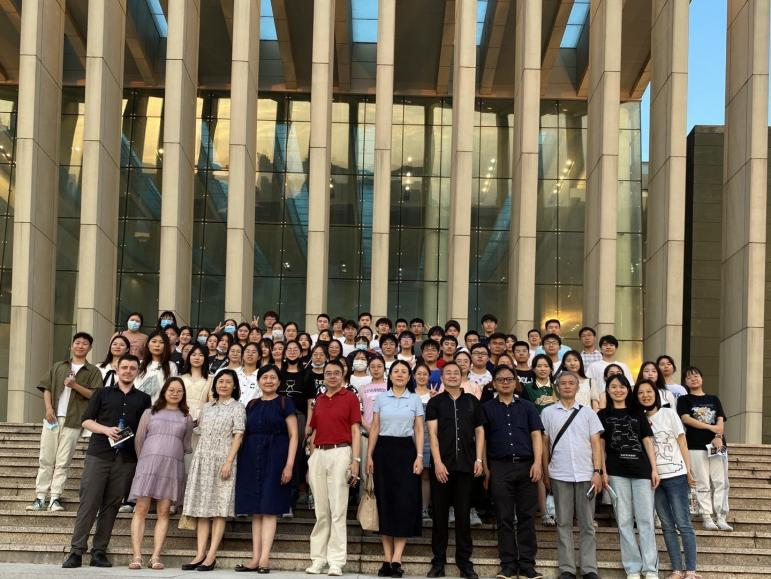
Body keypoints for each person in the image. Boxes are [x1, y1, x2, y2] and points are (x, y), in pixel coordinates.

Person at [62, 354, 151, 569]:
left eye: (132, 368)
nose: (128, 371)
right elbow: (86, 421)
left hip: (126, 459)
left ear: (138, 371)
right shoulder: (101, 393)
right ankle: (76, 551)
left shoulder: (144, 399)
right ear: (117, 369)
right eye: (124, 367)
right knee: (89, 503)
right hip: (99, 454)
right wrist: (106, 430)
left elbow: (144, 429)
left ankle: (99, 551)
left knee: (111, 506)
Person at [29, 333, 104, 513]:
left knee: (63, 460)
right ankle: (40, 497)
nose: (80, 346)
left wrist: (75, 385)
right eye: (77, 343)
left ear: (90, 348)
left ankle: (55, 497)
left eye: (85, 344)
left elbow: (96, 395)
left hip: (74, 419)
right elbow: (46, 388)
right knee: (46, 457)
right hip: (52, 418)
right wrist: (48, 408)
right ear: (71, 346)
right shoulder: (58, 366)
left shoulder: (93, 371)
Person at [235, 365, 299, 572]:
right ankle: (254, 558)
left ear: (279, 382)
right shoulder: (251, 404)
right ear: (259, 381)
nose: (269, 381)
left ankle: (264, 559)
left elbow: (294, 436)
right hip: (251, 457)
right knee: (256, 510)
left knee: (269, 508)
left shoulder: (285, 402)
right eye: (265, 377)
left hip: (277, 457)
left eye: (273, 378)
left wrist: (289, 465)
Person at [482, 365, 544, 579]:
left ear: (516, 382)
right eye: (501, 379)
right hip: (500, 467)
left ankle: (527, 564)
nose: (505, 382)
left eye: (509, 379)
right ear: (494, 384)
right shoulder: (487, 408)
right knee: (504, 517)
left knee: (527, 517)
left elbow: (536, 435)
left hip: (527, 466)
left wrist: (537, 463)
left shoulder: (527, 406)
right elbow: (483, 439)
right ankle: (508, 564)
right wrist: (487, 469)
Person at [181, 369, 246, 571]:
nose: (223, 385)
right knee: (202, 509)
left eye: (228, 382)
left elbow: (238, 435)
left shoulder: (238, 407)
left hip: (223, 459)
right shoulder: (207, 407)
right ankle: (200, 553)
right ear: (215, 385)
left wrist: (229, 462)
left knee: (219, 509)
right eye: (220, 381)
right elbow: (199, 430)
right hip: (203, 458)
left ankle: (211, 555)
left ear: (234, 386)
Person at [541, 371, 604, 579]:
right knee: (563, 523)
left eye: (571, 383)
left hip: (586, 475)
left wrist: (597, 472)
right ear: (557, 387)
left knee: (587, 524)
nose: (567, 386)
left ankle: (589, 569)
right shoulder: (548, 412)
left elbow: (596, 444)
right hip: (559, 474)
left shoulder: (588, 413)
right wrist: (545, 471)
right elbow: (544, 445)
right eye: (563, 383)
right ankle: (567, 569)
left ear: (578, 387)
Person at [635, 380, 700, 579]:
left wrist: (688, 470)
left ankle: (691, 569)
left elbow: (682, 441)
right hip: (654, 479)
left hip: (676, 474)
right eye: (641, 393)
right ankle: (677, 569)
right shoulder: (638, 419)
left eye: (649, 391)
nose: (645, 395)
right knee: (666, 525)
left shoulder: (669, 413)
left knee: (683, 523)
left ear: (656, 394)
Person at [425, 362, 485, 579]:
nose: (452, 376)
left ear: (463, 375)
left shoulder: (472, 401)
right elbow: (432, 434)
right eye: (448, 373)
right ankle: (438, 562)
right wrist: (438, 463)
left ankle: (464, 563)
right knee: (440, 517)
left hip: (466, 466)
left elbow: (480, 431)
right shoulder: (435, 402)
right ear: (442, 377)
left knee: (463, 517)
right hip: (442, 467)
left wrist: (479, 459)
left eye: (456, 373)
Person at [366, 360, 425, 578]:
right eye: (396, 371)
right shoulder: (381, 398)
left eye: (404, 372)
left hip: (406, 452)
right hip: (383, 451)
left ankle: (397, 559)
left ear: (409, 377)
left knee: (404, 504)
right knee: (385, 503)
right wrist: (369, 455)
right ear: (389, 376)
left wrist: (419, 456)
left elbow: (419, 430)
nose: (400, 375)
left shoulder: (415, 399)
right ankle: (386, 558)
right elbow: (375, 427)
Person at [128, 377, 193, 570]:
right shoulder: (150, 412)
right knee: (141, 509)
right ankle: (137, 556)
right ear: (164, 391)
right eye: (171, 389)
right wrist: (144, 460)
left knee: (164, 512)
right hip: (148, 466)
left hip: (171, 468)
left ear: (183, 394)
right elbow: (139, 440)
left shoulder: (186, 417)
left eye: (179, 391)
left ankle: (155, 556)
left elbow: (186, 445)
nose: (175, 393)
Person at [598, 374, 659, 579]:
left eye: (622, 386)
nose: (618, 390)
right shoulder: (602, 414)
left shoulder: (637, 412)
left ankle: (650, 568)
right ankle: (633, 568)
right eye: (614, 387)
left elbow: (647, 441)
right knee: (623, 521)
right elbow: (601, 445)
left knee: (646, 520)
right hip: (616, 472)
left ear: (628, 389)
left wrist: (654, 469)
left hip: (642, 471)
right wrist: (603, 471)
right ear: (608, 390)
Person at [305, 359, 362, 576]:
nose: (331, 376)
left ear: (343, 374)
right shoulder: (319, 400)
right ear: (324, 376)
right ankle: (318, 559)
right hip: (319, 454)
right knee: (321, 511)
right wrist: (311, 459)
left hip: (341, 452)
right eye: (328, 373)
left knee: (338, 510)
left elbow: (355, 430)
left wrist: (355, 460)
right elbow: (314, 430)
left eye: (336, 373)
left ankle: (336, 561)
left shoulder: (350, 397)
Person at [677, 366, 731, 531]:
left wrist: (718, 436)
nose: (693, 379)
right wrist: (710, 427)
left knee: (721, 482)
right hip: (695, 445)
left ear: (702, 378)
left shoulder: (714, 399)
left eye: (696, 376)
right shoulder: (684, 400)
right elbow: (686, 419)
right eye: (689, 377)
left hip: (717, 445)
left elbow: (720, 420)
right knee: (701, 482)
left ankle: (721, 517)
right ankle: (706, 516)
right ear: (685, 382)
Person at [135, 330, 177, 404]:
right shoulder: (139, 364)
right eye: (154, 341)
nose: (157, 345)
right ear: (148, 344)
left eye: (161, 342)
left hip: (161, 406)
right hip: (139, 405)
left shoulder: (171, 366)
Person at [180, 344, 212, 423]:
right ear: (189, 357)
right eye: (194, 355)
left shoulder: (211, 379)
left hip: (202, 419)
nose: (197, 358)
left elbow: (212, 402)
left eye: (201, 355)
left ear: (205, 358)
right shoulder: (180, 378)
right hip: (180, 417)